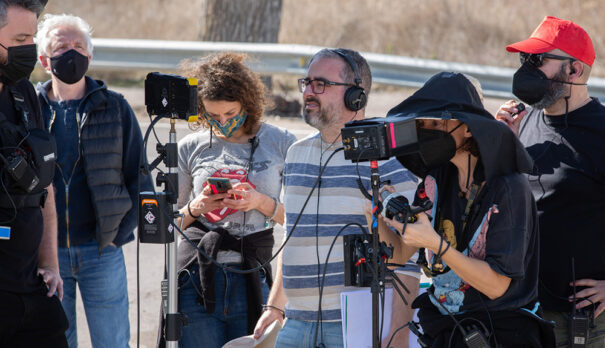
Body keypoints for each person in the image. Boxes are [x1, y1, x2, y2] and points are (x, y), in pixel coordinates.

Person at [253, 48, 420, 348]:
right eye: (307, 83)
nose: (309, 92)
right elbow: (292, 237)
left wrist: (398, 333)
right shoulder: (295, 155)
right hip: (295, 323)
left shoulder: (388, 163)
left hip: (353, 327)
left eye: (321, 84)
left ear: (355, 96)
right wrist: (275, 306)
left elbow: (409, 260)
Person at [382, 72, 555, 346]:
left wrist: (437, 244)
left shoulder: (508, 187)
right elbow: (398, 255)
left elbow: (496, 286)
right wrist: (376, 214)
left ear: (469, 127)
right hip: (446, 330)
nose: (426, 131)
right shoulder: (436, 178)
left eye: (435, 123)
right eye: (422, 124)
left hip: (501, 334)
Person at [35, 13, 150, 348]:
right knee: (58, 340)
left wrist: (118, 234)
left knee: (113, 341)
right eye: (62, 47)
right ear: (44, 60)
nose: (72, 53)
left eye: (79, 46)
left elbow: (138, 176)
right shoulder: (30, 108)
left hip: (102, 252)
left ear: (90, 55)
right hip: (47, 255)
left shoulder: (115, 108)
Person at [174, 52, 297, 348]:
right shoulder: (189, 146)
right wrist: (197, 207)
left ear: (248, 103)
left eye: (231, 114)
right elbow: (167, 222)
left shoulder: (281, 142)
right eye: (212, 116)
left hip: (251, 276)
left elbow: (299, 219)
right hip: (196, 276)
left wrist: (259, 202)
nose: (223, 122)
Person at [496, 16, 605, 347]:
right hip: (526, 309)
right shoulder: (523, 122)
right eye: (524, 60)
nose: (527, 71)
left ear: (574, 70)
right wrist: (502, 146)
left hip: (587, 322)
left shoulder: (601, 132)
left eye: (538, 61)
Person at [0, 1, 69, 347]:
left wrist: (51, 265)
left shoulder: (24, 92)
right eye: (21, 38)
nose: (29, 48)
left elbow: (46, 187)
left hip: (30, 288)